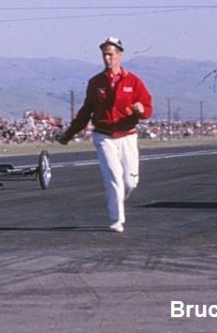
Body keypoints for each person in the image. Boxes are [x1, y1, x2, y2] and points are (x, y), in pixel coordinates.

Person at [56, 36, 153, 233]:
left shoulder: (133, 81)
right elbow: (85, 112)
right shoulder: (96, 82)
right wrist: (69, 133)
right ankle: (116, 219)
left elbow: (148, 108)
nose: (107, 58)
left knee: (130, 182)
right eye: (104, 55)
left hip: (127, 135)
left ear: (119, 55)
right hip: (104, 136)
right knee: (114, 178)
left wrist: (140, 109)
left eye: (110, 54)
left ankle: (114, 198)